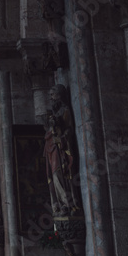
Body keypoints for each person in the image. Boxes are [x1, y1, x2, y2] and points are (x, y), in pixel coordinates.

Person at [44, 84, 80, 216]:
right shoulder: (54, 113)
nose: (51, 98)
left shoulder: (65, 110)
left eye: (52, 95)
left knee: (59, 174)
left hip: (60, 148)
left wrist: (61, 139)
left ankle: (68, 203)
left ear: (60, 95)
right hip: (51, 148)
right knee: (52, 176)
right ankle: (59, 204)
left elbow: (69, 129)